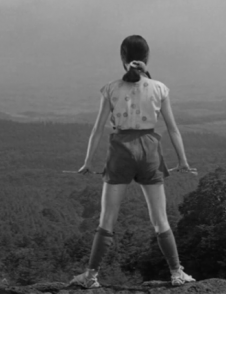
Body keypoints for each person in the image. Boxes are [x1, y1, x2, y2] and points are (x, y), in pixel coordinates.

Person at [69, 35, 197, 289]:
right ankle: (176, 273)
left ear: (123, 58)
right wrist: (182, 160)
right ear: (147, 58)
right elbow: (173, 129)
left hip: (120, 151)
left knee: (107, 219)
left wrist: (87, 162)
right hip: (150, 150)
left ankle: (91, 276)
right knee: (160, 219)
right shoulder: (160, 88)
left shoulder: (110, 89)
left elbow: (97, 129)